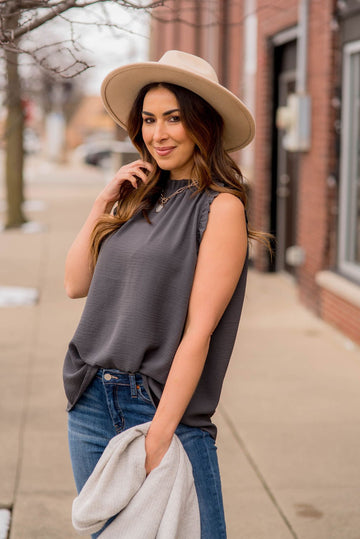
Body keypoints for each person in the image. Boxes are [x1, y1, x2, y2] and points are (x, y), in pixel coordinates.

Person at [63, 50, 261, 538]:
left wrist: (158, 438)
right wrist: (102, 201)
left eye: (173, 118)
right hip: (90, 397)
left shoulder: (220, 208)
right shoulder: (135, 196)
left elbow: (199, 333)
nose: (158, 134)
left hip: (156, 405)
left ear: (202, 125)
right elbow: (75, 283)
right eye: (149, 120)